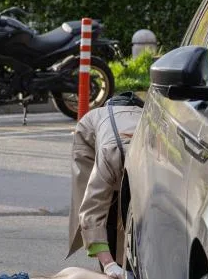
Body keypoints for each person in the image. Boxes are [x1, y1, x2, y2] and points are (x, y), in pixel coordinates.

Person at [66, 93, 144, 279]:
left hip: (131, 147)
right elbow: (92, 211)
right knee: (103, 203)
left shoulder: (162, 157)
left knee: (137, 209)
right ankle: (111, 265)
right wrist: (109, 264)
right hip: (94, 140)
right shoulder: (112, 155)